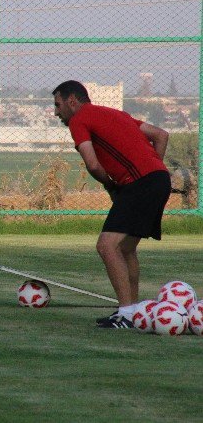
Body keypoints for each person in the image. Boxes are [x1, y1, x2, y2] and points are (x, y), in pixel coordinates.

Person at [52, 80, 171, 328]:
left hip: (141, 184)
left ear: (72, 101)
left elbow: (93, 164)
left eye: (58, 105)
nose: (56, 112)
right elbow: (161, 135)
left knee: (107, 246)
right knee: (125, 248)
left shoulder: (79, 119)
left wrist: (113, 185)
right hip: (159, 180)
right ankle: (134, 311)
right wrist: (152, 169)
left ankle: (126, 314)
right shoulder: (116, 114)